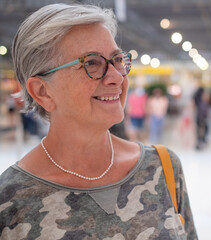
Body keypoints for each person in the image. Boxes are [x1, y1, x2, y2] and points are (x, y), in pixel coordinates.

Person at [0, 3, 197, 239]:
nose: (116, 77)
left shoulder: (162, 166)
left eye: (116, 60)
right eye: (91, 63)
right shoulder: (10, 201)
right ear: (42, 92)